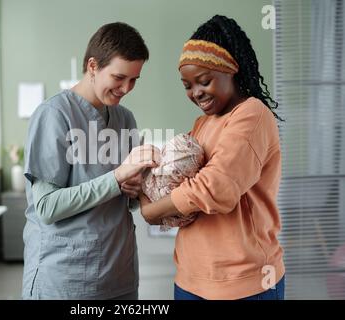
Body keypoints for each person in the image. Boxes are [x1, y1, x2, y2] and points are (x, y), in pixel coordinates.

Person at [139, 15, 285, 300]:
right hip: (190, 278)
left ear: (231, 70)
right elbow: (180, 186)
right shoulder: (202, 124)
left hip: (243, 283)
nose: (196, 93)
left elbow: (215, 188)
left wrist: (150, 212)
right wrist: (145, 182)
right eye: (187, 85)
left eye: (204, 81)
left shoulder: (252, 115)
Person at [22, 22, 158, 300]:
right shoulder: (54, 115)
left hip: (119, 275)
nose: (126, 88)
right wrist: (118, 178)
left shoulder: (125, 119)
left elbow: (124, 199)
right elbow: (47, 207)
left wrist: (136, 188)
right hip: (66, 280)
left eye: (134, 80)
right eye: (119, 77)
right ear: (93, 66)